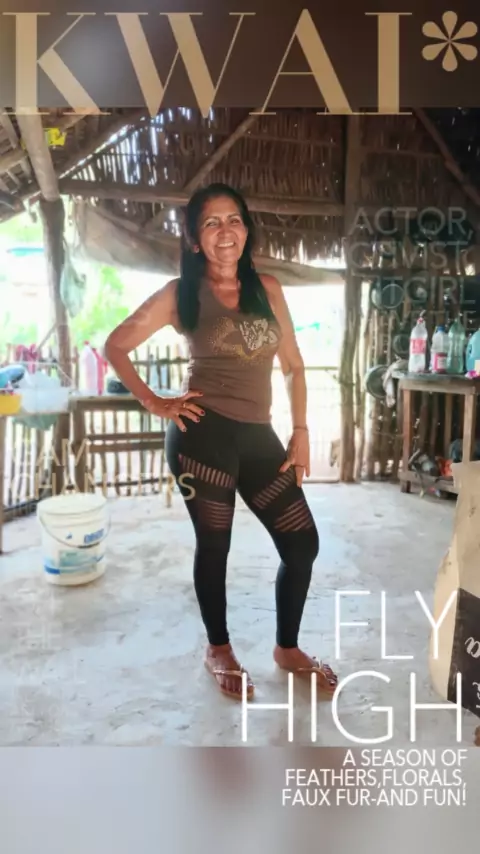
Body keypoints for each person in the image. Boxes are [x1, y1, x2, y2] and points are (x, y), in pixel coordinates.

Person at [104, 182, 338, 701]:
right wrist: (156, 402)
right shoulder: (180, 294)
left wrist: (300, 432)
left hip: (258, 434)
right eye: (211, 223)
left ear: (247, 230)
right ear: (194, 239)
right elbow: (116, 345)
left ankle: (286, 648)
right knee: (216, 545)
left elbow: (294, 367)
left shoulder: (268, 288)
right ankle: (219, 648)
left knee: (302, 544)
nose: (224, 231)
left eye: (233, 219)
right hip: (201, 434)